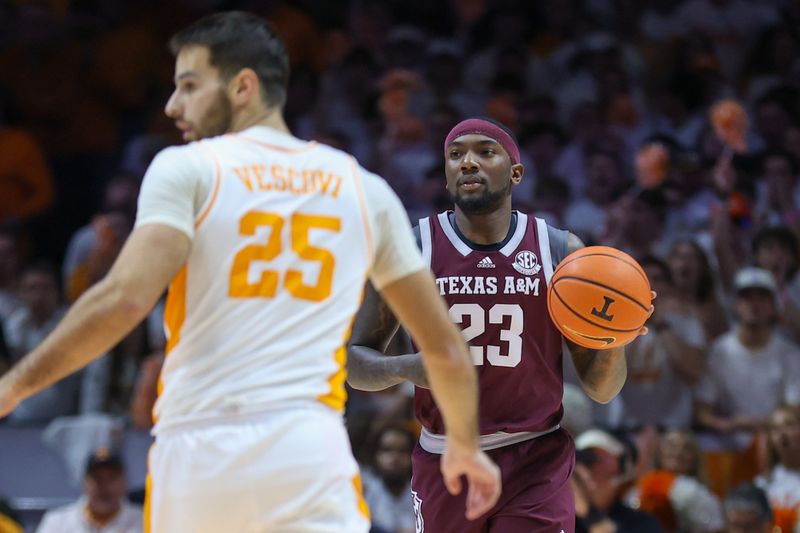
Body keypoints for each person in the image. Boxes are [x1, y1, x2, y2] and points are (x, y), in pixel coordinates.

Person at [0, 12, 500, 533]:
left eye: (189, 86)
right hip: (307, 446)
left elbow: (123, 301)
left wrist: (13, 386)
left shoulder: (188, 168)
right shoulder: (362, 188)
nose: (173, 105)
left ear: (243, 86)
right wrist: (464, 447)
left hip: (201, 448)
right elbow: (444, 347)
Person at [347, 117, 652, 532]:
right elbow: (354, 361)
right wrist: (407, 368)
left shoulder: (561, 252)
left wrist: (613, 335)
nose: (467, 163)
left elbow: (602, 389)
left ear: (515, 172)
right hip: (446, 457)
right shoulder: (413, 248)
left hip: (535, 458)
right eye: (455, 155)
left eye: (484, 152)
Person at [36, 450, 142, 533]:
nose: (104, 487)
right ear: (84, 483)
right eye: (97, 479)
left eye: (111, 478)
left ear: (124, 483)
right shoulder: (57, 522)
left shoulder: (143, 521)